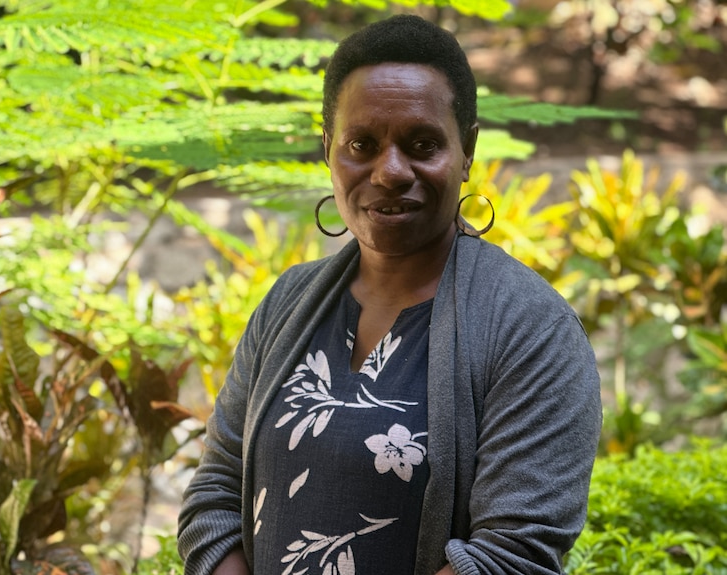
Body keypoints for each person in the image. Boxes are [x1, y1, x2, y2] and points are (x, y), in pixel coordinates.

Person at [178, 14, 602, 575]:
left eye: (422, 144)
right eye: (362, 144)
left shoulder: (531, 329)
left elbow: (512, 554)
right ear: (328, 148)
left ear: (467, 151)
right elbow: (216, 492)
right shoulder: (287, 303)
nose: (390, 171)